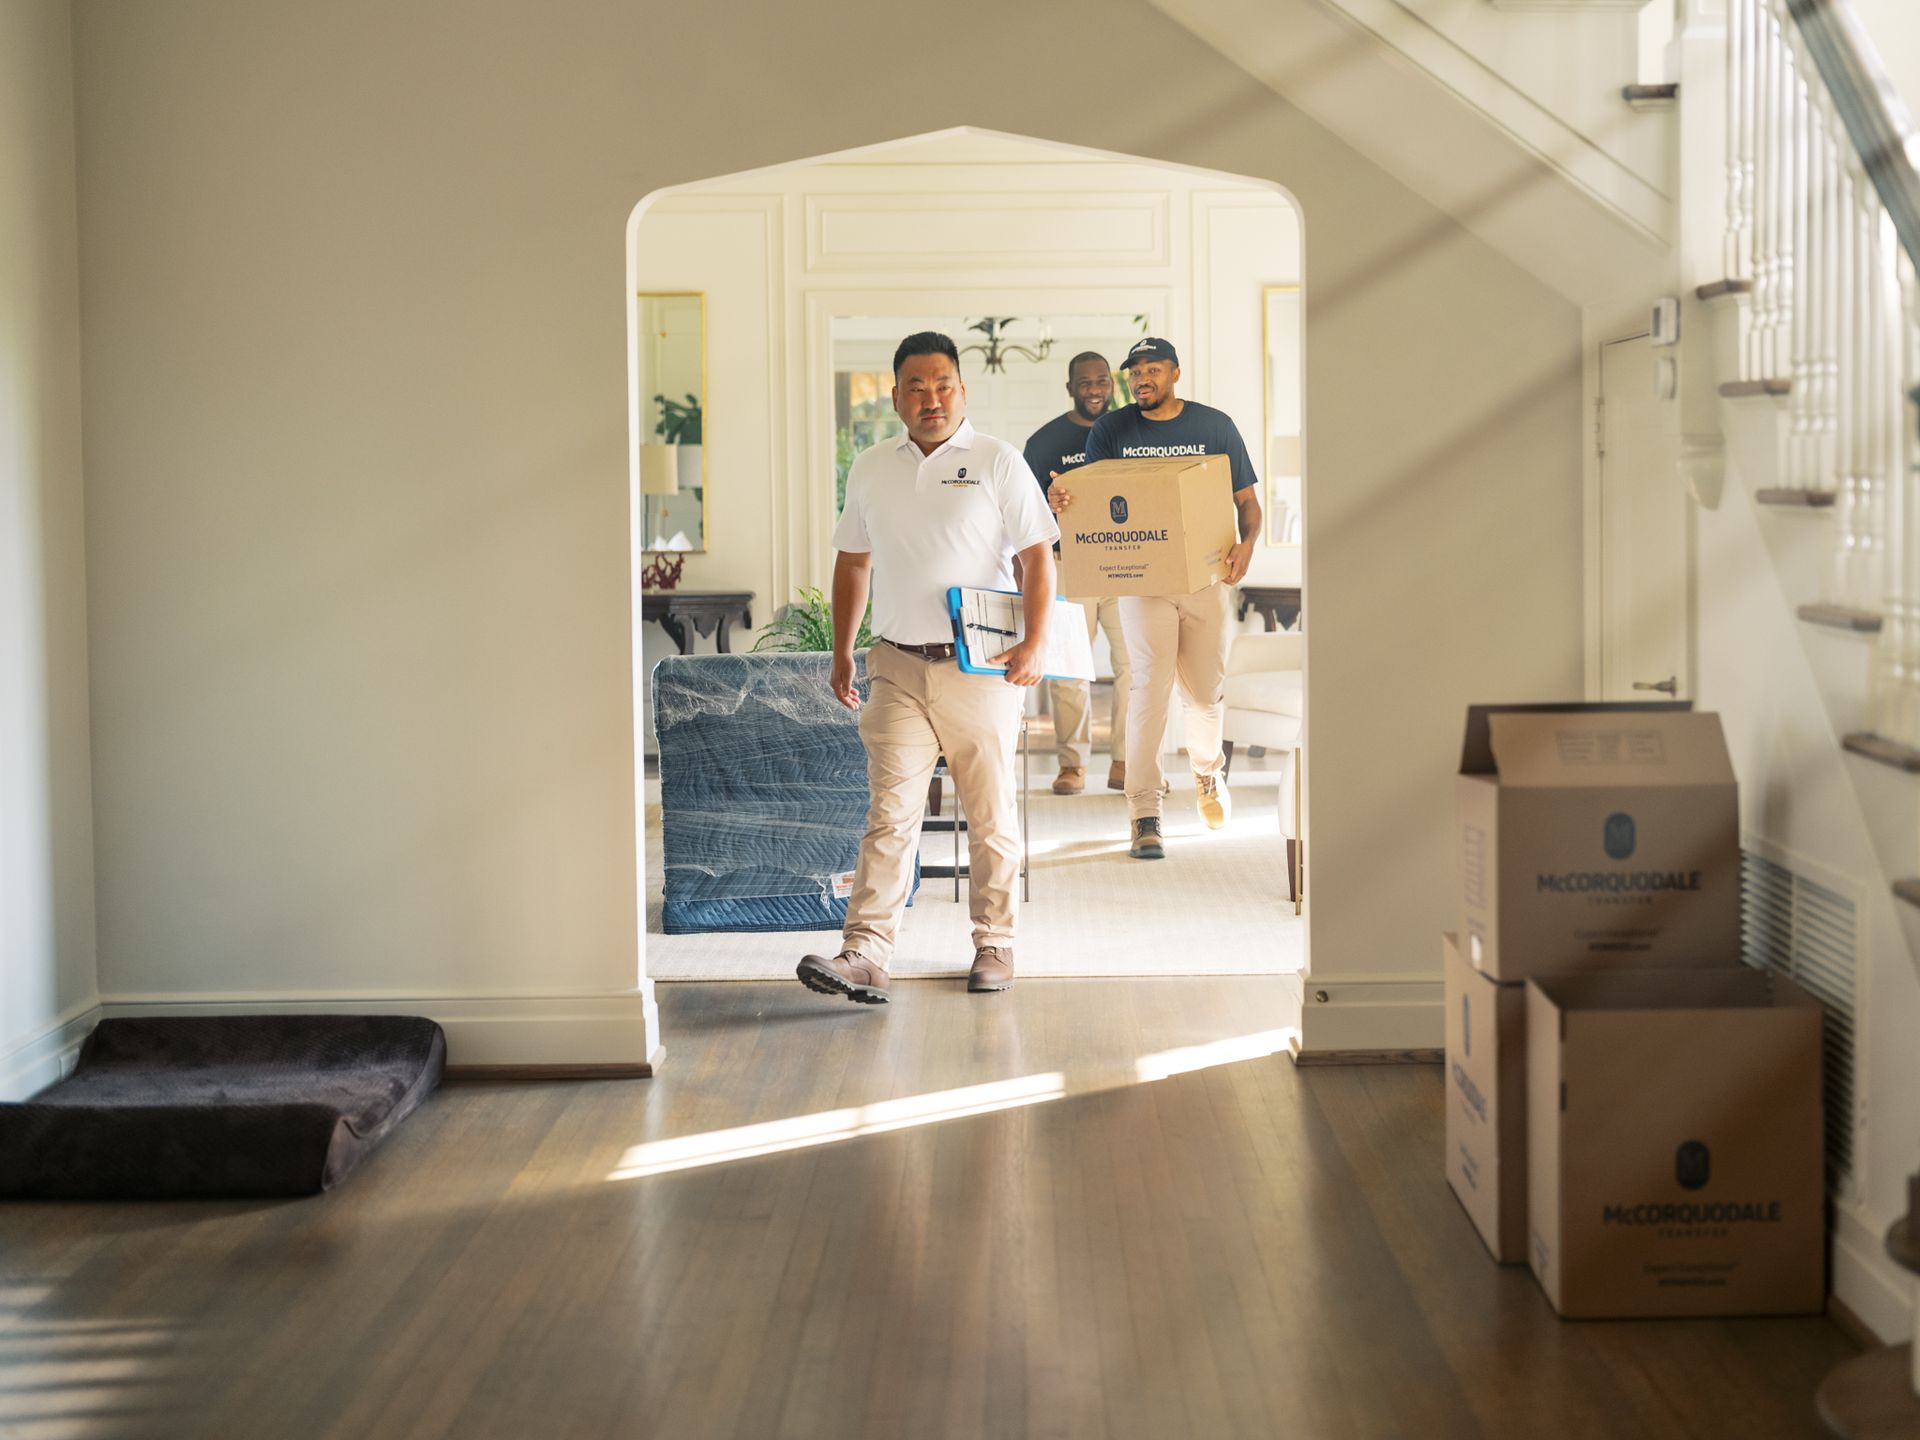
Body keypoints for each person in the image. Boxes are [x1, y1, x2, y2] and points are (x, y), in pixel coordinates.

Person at [798, 332, 1060, 1003]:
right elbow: (853, 563)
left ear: (962, 391)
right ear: (895, 397)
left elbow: (1037, 556)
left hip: (982, 667)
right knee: (889, 816)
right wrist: (840, 651)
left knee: (989, 813)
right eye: (916, 386)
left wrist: (1035, 643)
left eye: (943, 384)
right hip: (894, 665)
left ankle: (995, 944)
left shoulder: (998, 461)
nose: (931, 397)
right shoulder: (870, 468)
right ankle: (866, 952)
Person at [1077, 337, 1261, 860]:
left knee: (1204, 695)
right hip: (1142, 582)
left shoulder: (1214, 427)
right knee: (1147, 692)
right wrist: (1065, 497)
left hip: (1205, 583)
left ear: (1175, 373)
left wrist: (1247, 546)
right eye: (1134, 373)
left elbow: (1247, 502)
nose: (1141, 380)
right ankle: (1144, 811)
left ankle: (1206, 776)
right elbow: (1092, 500)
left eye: (1152, 370)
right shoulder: (1112, 430)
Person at [1022, 352, 1132, 797]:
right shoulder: (1045, 441)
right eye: (1084, 381)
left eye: (1101, 380)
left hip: (1128, 565)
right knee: (1068, 669)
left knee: (1134, 667)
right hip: (1068, 565)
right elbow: (1024, 512)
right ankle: (1073, 765)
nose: (1093, 388)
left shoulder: (1132, 431)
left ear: (1112, 384)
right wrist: (1048, 504)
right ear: (1070, 387)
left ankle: (1126, 760)